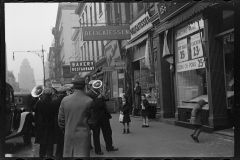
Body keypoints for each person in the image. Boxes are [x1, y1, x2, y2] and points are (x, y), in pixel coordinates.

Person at [58, 75, 93, 157]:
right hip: (83, 135)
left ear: (73, 87)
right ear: (84, 87)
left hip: (68, 134)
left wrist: (67, 130)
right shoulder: (89, 101)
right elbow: (92, 121)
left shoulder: (65, 100)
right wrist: (87, 129)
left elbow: (61, 121)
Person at [86, 82, 118, 155]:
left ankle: (109, 147)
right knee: (96, 134)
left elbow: (106, 99)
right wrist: (98, 98)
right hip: (95, 117)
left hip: (104, 116)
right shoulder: (89, 94)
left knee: (108, 132)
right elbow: (91, 105)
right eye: (97, 86)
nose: (99, 88)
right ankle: (98, 150)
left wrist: (105, 95)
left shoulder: (99, 92)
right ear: (92, 86)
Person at [33, 88, 55, 158]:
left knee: (42, 143)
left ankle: (41, 156)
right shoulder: (53, 102)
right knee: (50, 143)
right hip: (51, 124)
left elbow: (34, 110)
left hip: (42, 124)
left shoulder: (40, 102)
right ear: (51, 94)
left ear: (44, 94)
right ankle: (50, 156)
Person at [51, 86, 68, 158]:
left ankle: (58, 154)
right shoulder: (68, 100)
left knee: (59, 140)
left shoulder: (54, 101)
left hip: (56, 121)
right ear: (65, 92)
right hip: (67, 120)